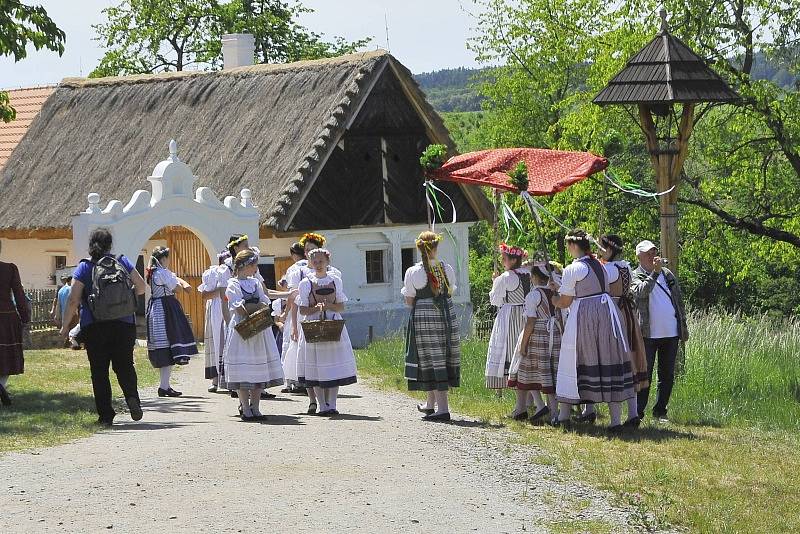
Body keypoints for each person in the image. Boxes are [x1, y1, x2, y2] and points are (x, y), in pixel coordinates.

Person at [551, 229, 636, 433]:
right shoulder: (601, 265)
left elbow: (565, 302)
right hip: (607, 313)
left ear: (573, 246)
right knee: (607, 358)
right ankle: (615, 420)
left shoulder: (574, 268)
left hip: (586, 315)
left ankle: (564, 415)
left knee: (573, 358)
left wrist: (553, 295)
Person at [60, 227, 146, 426]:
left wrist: (65, 328)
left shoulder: (84, 268)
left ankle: (106, 415)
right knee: (124, 365)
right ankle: (132, 398)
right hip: (124, 324)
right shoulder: (122, 261)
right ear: (110, 245)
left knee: (99, 371)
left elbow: (73, 300)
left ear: (91, 246)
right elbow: (141, 288)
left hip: (95, 326)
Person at [402, 231, 460, 422]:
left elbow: (409, 301)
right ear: (436, 247)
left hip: (425, 315)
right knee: (441, 355)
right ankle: (430, 403)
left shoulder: (413, 272)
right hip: (446, 314)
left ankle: (443, 408)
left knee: (430, 357)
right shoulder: (446, 268)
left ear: (419, 248)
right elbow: (450, 292)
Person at [631, 240, 689, 423]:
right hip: (647, 334)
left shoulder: (667, 274)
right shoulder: (635, 275)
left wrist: (684, 325)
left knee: (667, 375)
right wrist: (655, 274)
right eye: (648, 253)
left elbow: (678, 300)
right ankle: (638, 413)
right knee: (644, 375)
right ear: (639, 256)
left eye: (654, 252)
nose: (652, 256)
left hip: (670, 333)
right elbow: (641, 292)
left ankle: (660, 411)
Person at [223, 249, 285, 421]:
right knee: (243, 367)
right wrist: (255, 306)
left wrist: (255, 306)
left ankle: (255, 406)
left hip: (259, 328)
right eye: (254, 265)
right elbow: (239, 308)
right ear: (246, 265)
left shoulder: (255, 283)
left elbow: (264, 302)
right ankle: (245, 406)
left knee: (259, 366)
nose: (256, 268)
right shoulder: (233, 284)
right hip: (242, 329)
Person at [296, 247, 357, 416]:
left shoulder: (335, 280)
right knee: (316, 365)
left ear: (327, 261)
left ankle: (333, 404)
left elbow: (341, 306)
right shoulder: (306, 283)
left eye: (320, 261)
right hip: (314, 325)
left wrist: (329, 306)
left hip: (333, 324)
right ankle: (322, 404)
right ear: (310, 262)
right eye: (314, 262)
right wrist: (315, 308)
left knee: (333, 365)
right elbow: (302, 310)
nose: (317, 265)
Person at [600, 234, 649, 427]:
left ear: (609, 250)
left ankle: (618, 418)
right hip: (627, 312)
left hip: (614, 313)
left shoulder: (609, 269)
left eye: (601, 248)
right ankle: (633, 413)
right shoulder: (625, 266)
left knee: (618, 361)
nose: (598, 251)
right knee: (629, 360)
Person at [510, 261, 563, 425]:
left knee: (530, 369)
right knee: (551, 372)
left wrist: (523, 343)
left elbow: (530, 321)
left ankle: (540, 408)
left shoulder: (534, 295)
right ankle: (554, 412)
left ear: (534, 277)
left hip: (539, 336)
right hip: (555, 335)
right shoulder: (556, 293)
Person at [145, 246, 198, 397]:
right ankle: (164, 386)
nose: (169, 260)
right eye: (167, 257)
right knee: (168, 345)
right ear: (162, 259)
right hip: (165, 309)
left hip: (158, 307)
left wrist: (181, 282)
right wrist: (181, 284)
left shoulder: (157, 272)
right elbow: (176, 289)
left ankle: (164, 386)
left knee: (166, 347)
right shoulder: (161, 273)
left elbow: (175, 278)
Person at [486, 243, 531, 393]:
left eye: (504, 258)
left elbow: (495, 301)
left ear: (512, 260)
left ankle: (515, 387)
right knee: (524, 350)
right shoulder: (529, 273)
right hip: (527, 315)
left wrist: (494, 282)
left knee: (511, 349)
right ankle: (528, 394)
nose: (501, 261)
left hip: (510, 316)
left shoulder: (505, 277)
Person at [0, 240, 30, 406]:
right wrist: (25, 318)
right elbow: (19, 295)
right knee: (6, 358)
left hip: (6, 317)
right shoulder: (10, 269)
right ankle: (1, 386)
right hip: (7, 317)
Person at [279, 242, 309, 396]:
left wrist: (285, 313)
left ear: (293, 254)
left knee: (291, 342)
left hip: (296, 311)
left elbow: (293, 295)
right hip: (311, 310)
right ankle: (308, 377)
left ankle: (292, 380)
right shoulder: (312, 266)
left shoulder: (294, 269)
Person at [199, 251, 229, 393]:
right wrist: (222, 288)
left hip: (229, 308)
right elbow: (205, 295)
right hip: (215, 309)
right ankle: (215, 379)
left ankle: (230, 380)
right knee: (216, 343)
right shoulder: (213, 273)